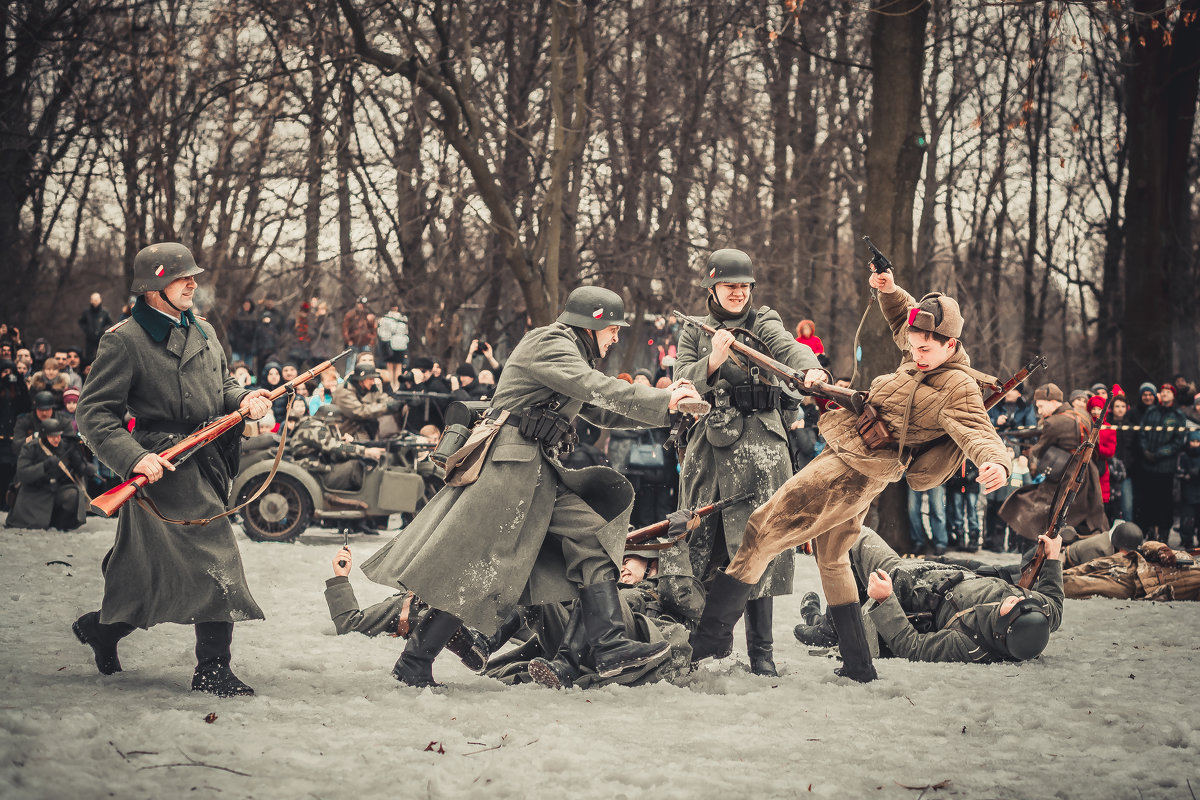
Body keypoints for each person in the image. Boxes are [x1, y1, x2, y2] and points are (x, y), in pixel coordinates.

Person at [358, 286, 702, 688]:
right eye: (613, 329)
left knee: (594, 537)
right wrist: (664, 398)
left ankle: (611, 647)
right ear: (592, 323)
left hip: (534, 470)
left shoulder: (572, 354)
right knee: (481, 566)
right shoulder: (550, 343)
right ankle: (415, 660)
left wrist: (670, 412)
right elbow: (599, 388)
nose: (615, 338)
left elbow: (600, 410)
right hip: (508, 468)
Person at [689, 267, 1011, 683]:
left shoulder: (958, 387)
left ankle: (708, 645)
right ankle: (859, 664)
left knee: (760, 528)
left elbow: (979, 431)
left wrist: (996, 462)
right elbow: (903, 319)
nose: (916, 352)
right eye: (913, 345)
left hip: (852, 469)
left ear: (952, 344)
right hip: (857, 464)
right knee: (833, 557)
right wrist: (891, 290)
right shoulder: (919, 354)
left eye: (926, 347)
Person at [73, 242, 273, 697]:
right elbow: (95, 414)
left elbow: (222, 384)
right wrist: (133, 458)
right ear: (152, 288)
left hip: (204, 456)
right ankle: (212, 669)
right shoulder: (123, 339)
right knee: (216, 554)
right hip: (161, 463)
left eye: (192, 276)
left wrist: (244, 399)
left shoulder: (203, 329)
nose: (192, 283)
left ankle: (102, 630)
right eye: (181, 277)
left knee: (147, 569)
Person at [660, 249, 826, 677]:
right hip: (709, 451)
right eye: (730, 285)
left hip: (762, 450)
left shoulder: (762, 319)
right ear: (712, 288)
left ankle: (762, 653)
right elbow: (682, 381)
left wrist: (810, 370)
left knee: (761, 544)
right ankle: (695, 643)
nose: (738, 292)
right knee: (700, 546)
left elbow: (787, 347)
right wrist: (713, 358)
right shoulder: (694, 331)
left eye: (744, 286)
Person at [793, 527, 1063, 664]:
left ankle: (821, 622)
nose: (1018, 599)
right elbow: (1055, 603)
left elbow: (911, 647)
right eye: (1023, 601)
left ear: (1003, 630)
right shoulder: (1036, 613)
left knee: (852, 534)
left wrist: (886, 599)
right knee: (850, 534)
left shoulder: (968, 645)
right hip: (929, 571)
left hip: (907, 592)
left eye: (1013, 608)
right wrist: (1053, 559)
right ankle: (823, 620)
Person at [323, 547, 490, 670]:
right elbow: (350, 625)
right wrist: (341, 577)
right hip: (425, 616)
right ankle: (470, 642)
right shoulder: (402, 605)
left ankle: (473, 641)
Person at [999, 383, 1107, 543]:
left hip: (1065, 476)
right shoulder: (1084, 415)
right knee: (1087, 518)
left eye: (1041, 406)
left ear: (1052, 402)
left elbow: (1039, 451)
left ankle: (1034, 550)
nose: (1039, 411)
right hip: (1088, 474)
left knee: (1033, 509)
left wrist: (1027, 450)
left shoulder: (1053, 422)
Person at [5, 417, 93, 530]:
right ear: (44, 436)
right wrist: (44, 466)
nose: (57, 439)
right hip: (34, 492)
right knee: (34, 524)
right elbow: (22, 474)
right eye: (52, 436)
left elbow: (77, 466)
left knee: (74, 494)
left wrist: (85, 468)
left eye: (58, 435)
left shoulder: (65, 446)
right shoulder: (30, 448)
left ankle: (59, 524)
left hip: (56, 489)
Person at [1063, 538, 1200, 600]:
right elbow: (1148, 545)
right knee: (1085, 568)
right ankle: (1044, 575)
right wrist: (1162, 550)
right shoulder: (1188, 559)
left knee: (1082, 585)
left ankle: (1045, 588)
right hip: (1132, 562)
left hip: (1137, 586)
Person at [290, 404, 384, 493]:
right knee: (355, 466)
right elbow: (332, 446)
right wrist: (365, 451)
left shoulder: (312, 424)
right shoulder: (316, 426)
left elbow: (333, 445)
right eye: (335, 423)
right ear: (327, 419)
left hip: (316, 469)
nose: (336, 426)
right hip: (314, 472)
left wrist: (348, 443)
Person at [1136, 383, 1188, 542]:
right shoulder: (1151, 412)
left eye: (1167, 392)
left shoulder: (1178, 415)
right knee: (1148, 500)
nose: (1164, 394)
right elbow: (1142, 432)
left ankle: (1164, 534)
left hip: (1165, 467)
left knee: (1165, 501)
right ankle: (1151, 532)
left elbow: (1178, 442)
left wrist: (1158, 454)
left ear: (1173, 396)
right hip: (1148, 466)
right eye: (1162, 391)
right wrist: (1145, 451)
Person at [333, 362, 396, 441]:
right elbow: (360, 412)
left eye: (373, 379)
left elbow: (383, 399)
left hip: (367, 432)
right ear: (360, 379)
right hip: (347, 435)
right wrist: (387, 406)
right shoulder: (343, 391)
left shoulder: (370, 388)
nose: (373, 382)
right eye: (370, 379)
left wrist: (397, 402)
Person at [945, 459, 982, 550]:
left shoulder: (973, 448)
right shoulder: (956, 449)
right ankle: (960, 540)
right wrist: (954, 478)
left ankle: (973, 541)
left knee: (972, 513)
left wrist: (970, 476)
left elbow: (980, 465)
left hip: (972, 485)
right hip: (957, 486)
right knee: (958, 514)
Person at [907, 481, 949, 556]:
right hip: (913, 473)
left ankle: (940, 543)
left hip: (936, 473)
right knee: (912, 509)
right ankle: (918, 542)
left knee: (937, 509)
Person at [1174, 430, 1200, 549]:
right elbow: (1179, 472)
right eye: (1193, 441)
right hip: (1187, 493)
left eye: (1197, 442)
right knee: (1187, 520)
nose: (1195, 444)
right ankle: (1187, 540)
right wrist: (1189, 473)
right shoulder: (1183, 455)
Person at [375, 301, 410, 388]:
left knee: (393, 367)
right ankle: (395, 386)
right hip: (400, 345)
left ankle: (393, 386)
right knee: (396, 367)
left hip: (393, 344)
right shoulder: (402, 318)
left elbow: (383, 334)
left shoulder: (387, 319)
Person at [342, 296, 375, 375]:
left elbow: (373, 329)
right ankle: (348, 381)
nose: (361, 306)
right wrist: (348, 340)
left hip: (365, 343)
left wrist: (372, 340)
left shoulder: (368, 315)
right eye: (360, 304)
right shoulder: (350, 314)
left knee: (367, 363)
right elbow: (345, 329)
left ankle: (367, 377)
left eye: (363, 304)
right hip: (354, 342)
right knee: (351, 365)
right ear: (357, 304)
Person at [78, 292, 114, 363]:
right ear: (91, 301)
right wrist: (87, 330)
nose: (95, 302)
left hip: (101, 338)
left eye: (96, 300)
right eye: (93, 300)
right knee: (88, 357)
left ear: (100, 300)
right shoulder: (86, 312)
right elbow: (81, 322)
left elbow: (110, 323)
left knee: (101, 355)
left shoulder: (105, 313)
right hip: (89, 338)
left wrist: (103, 331)